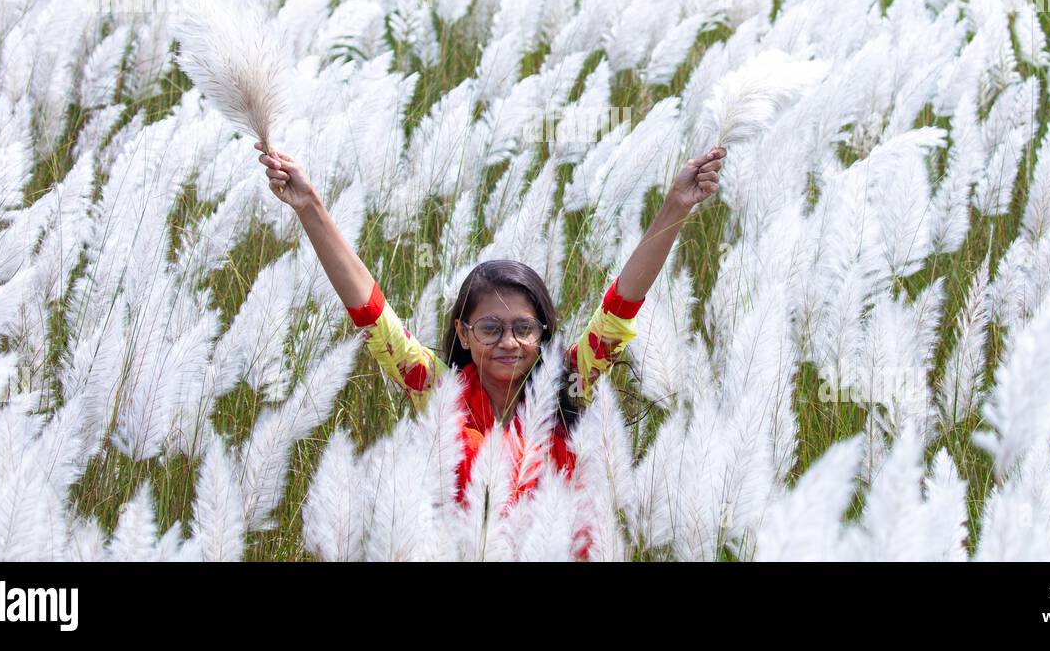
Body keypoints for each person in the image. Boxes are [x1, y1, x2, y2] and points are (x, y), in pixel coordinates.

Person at [254, 137, 726, 548]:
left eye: (524, 328)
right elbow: (373, 314)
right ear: (462, 332)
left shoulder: (569, 386)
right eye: (490, 328)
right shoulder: (439, 392)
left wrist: (677, 205)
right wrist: (309, 205)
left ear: (543, 333)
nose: (510, 342)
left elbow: (622, 303)